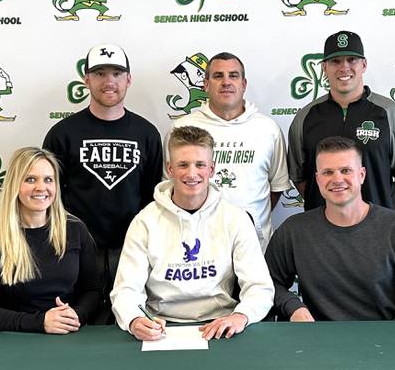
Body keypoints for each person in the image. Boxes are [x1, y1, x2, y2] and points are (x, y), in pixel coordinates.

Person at [111, 126, 274, 341]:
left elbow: (259, 287)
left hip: (221, 325)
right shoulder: (145, 221)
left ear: (212, 169)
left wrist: (241, 316)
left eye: (200, 165)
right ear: (170, 169)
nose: (192, 173)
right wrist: (134, 319)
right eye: (183, 165)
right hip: (160, 326)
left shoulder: (235, 218)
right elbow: (125, 290)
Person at [43, 44, 163, 323]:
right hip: (77, 248)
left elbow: (152, 196)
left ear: (128, 80)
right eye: (99, 73)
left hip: (132, 248)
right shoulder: (62, 134)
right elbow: (50, 198)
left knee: (132, 324)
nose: (109, 81)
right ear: (86, 80)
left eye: (117, 73)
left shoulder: (147, 133)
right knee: (80, 325)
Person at [266, 136, 395, 321]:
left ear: (361, 175)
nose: (337, 179)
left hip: (387, 342)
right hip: (318, 341)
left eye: (345, 170)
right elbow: (267, 283)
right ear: (317, 179)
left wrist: (388, 346)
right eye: (327, 172)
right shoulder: (294, 231)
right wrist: (293, 307)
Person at [0, 147, 102, 333]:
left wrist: (75, 316)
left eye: (48, 180)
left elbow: (92, 291)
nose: (41, 187)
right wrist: (40, 323)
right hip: (13, 338)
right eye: (30, 179)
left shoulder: (75, 229)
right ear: (14, 185)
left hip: (67, 334)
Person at [167, 52, 290, 250]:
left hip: (255, 246)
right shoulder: (182, 127)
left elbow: (277, 187)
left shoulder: (267, 129)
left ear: (244, 84)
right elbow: (171, 187)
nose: (226, 82)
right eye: (218, 76)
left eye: (233, 75)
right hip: (199, 247)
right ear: (205, 84)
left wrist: (251, 221)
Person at [288, 30, 395, 212]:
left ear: (363, 65)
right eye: (335, 61)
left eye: (352, 59)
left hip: (377, 230)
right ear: (324, 67)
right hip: (320, 231)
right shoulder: (305, 117)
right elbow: (299, 177)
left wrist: (386, 216)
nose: (344, 67)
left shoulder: (391, 114)